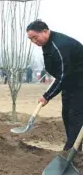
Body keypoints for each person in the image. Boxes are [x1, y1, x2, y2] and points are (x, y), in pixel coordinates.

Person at [26, 19, 83, 151]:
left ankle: (71, 151)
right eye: (31, 39)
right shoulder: (48, 44)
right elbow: (61, 74)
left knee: (75, 116)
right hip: (71, 83)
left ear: (45, 31)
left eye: (35, 37)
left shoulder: (60, 46)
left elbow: (63, 75)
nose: (34, 42)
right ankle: (74, 148)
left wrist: (47, 96)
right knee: (67, 114)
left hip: (79, 83)